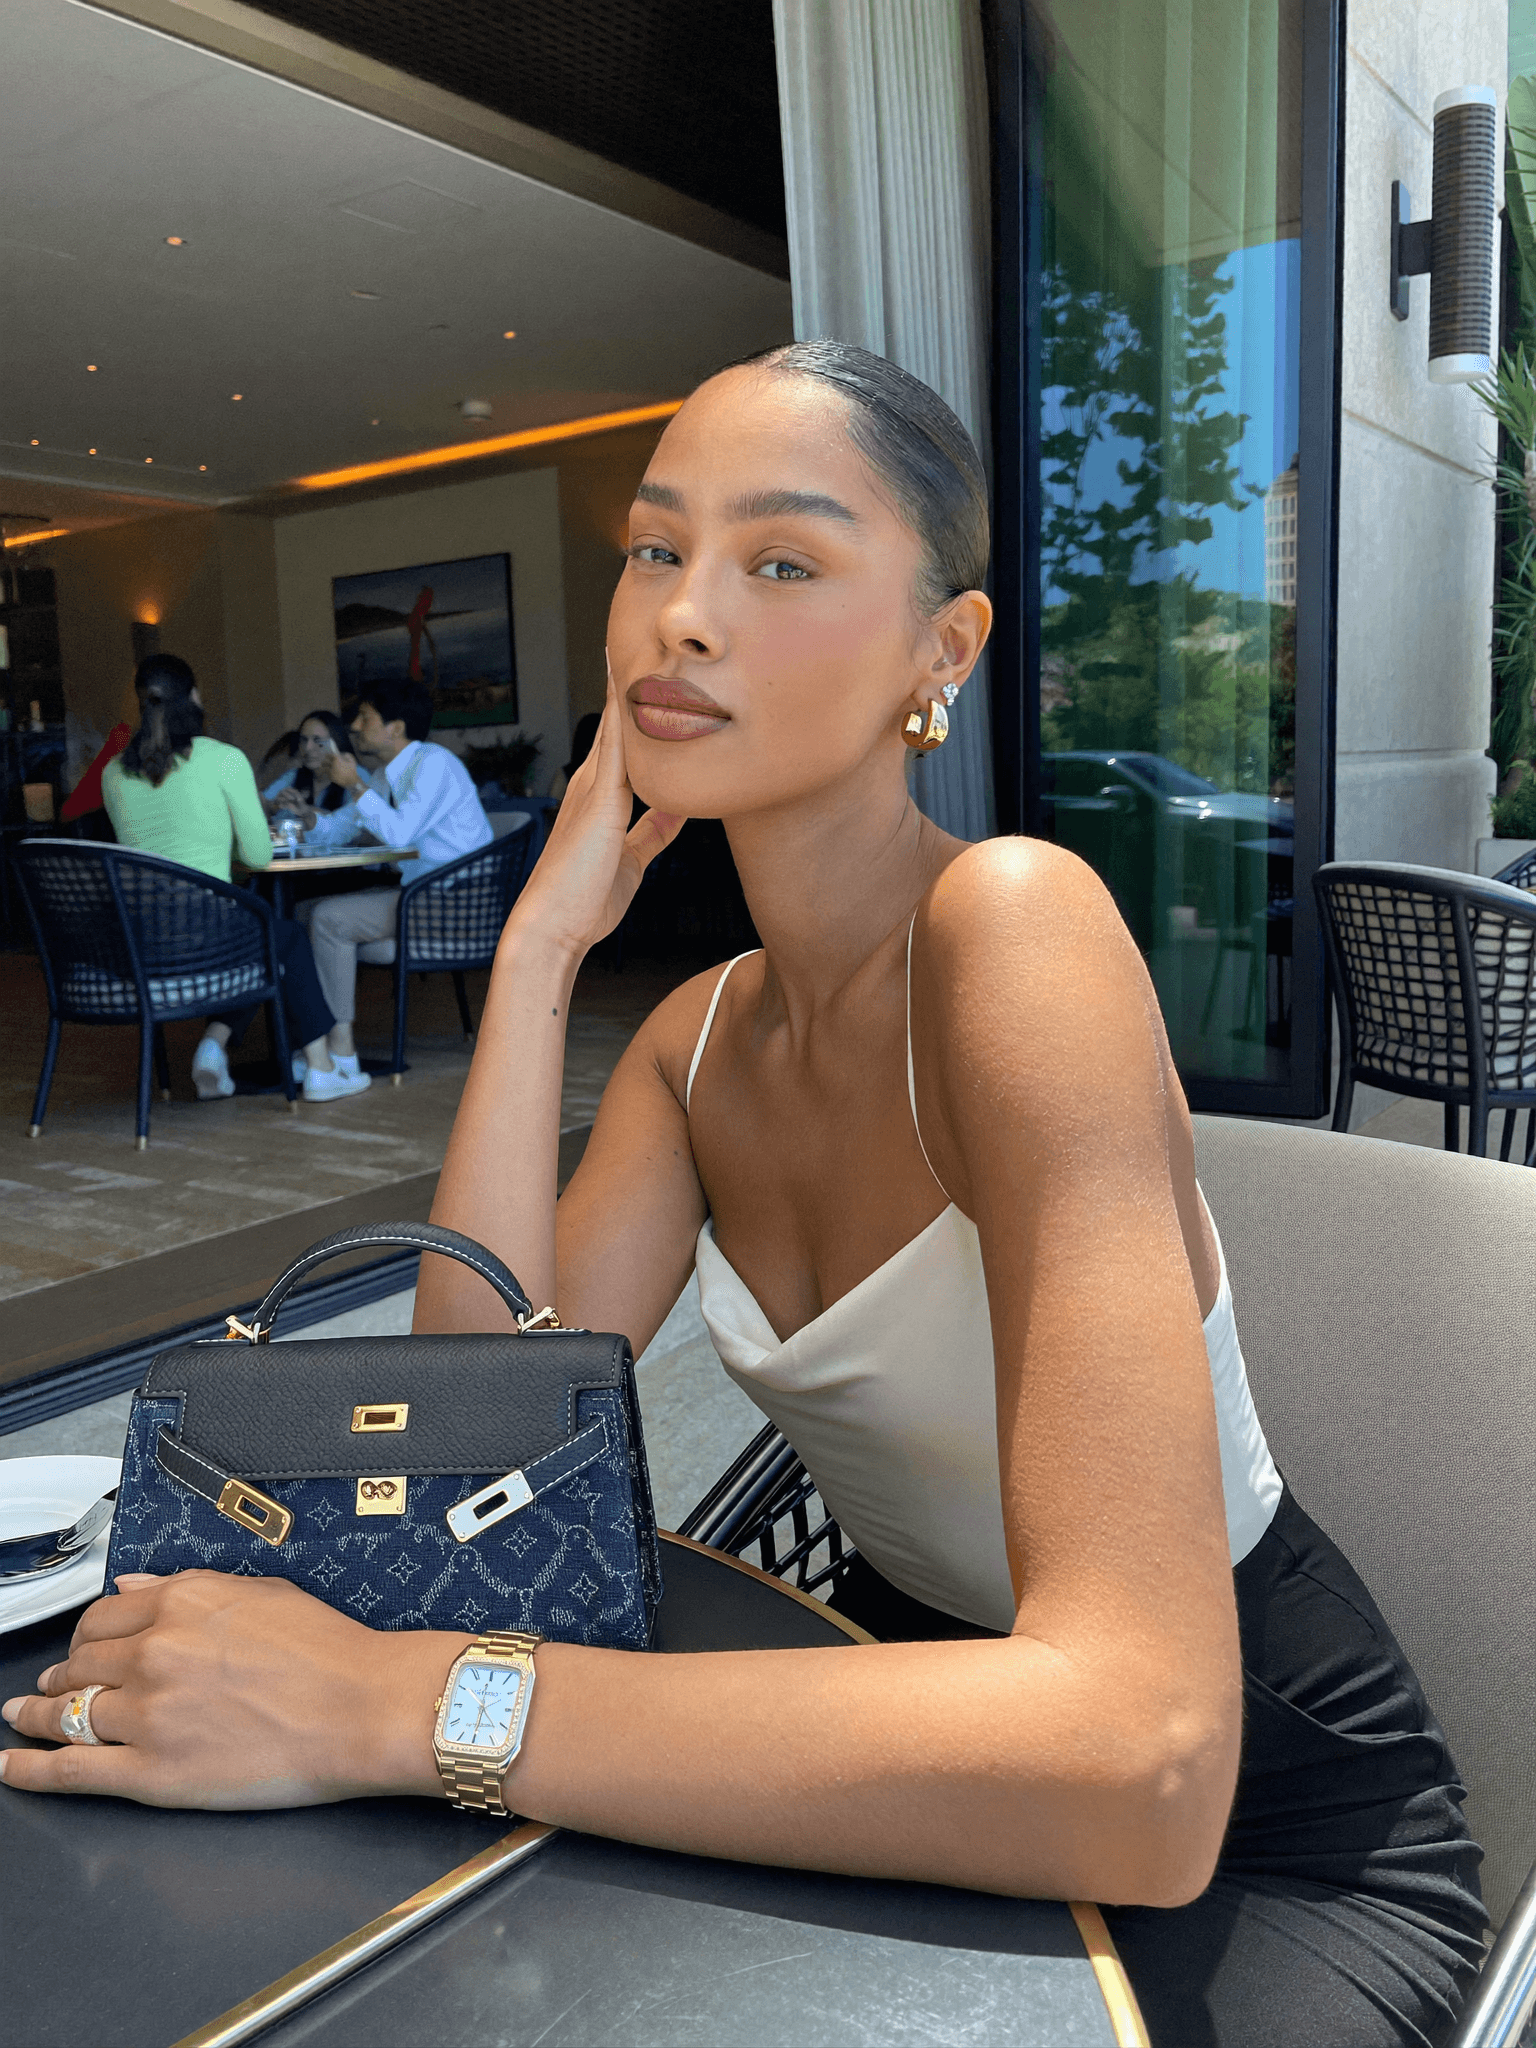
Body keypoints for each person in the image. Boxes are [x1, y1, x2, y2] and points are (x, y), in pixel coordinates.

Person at [3, 349, 1484, 2048]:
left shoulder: (1017, 930)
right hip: (897, 1713)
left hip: (1259, 1827)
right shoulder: (697, 1044)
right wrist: (541, 951)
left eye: (781, 560)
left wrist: (403, 1707)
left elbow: (1144, 1764)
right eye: (656, 549)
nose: (683, 616)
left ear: (944, 651)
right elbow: (459, 1442)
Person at [98, 654, 370, 1104]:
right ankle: (320, 1068)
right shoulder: (222, 759)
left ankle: (214, 1046)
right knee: (284, 938)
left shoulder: (113, 773)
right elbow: (257, 854)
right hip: (209, 937)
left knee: (263, 937)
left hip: (141, 940)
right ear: (194, 697)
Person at [298, 677, 492, 1065]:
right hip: (422, 897)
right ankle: (314, 1042)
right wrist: (306, 818)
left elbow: (400, 834)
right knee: (302, 914)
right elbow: (341, 827)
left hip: (456, 902)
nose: (354, 727)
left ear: (396, 727)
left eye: (365, 717)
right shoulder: (387, 774)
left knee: (327, 918)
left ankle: (341, 1052)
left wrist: (355, 784)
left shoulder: (434, 764)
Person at [261, 709, 373, 847]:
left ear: (337, 742)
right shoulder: (293, 776)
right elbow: (259, 810)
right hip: (295, 859)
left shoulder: (357, 776)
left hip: (344, 860)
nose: (308, 747)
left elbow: (359, 832)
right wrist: (272, 807)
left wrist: (305, 815)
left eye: (317, 740)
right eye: (304, 740)